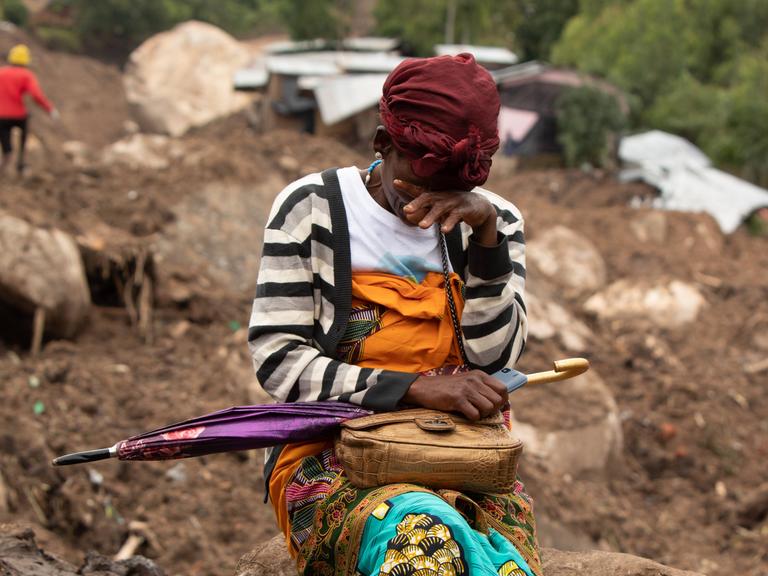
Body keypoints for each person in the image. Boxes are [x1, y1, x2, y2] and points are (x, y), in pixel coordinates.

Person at [249, 53, 539, 576]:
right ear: (382, 143)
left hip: (463, 454)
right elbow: (279, 363)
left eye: (455, 186)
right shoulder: (310, 209)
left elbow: (495, 358)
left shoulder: (494, 218)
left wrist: (489, 241)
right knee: (421, 546)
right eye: (420, 179)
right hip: (335, 452)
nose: (435, 199)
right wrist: (412, 386)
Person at [0, 44, 57, 175]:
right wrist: (50, 109)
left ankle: (6, 159)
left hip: (0, 116)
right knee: (24, 132)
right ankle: (21, 162)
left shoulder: (1, 72)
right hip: (18, 115)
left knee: (5, 143)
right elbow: (36, 95)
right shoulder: (26, 75)